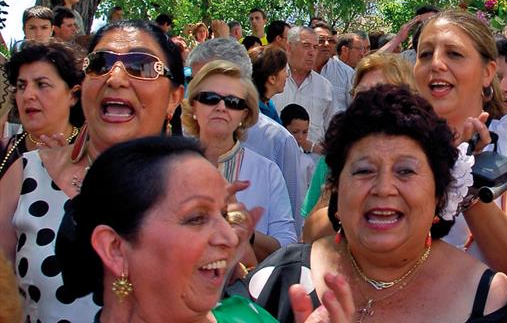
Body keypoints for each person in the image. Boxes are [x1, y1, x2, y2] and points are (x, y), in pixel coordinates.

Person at [246, 86, 507, 322]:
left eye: (406, 171)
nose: (384, 188)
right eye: (364, 171)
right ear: (337, 193)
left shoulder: (492, 302)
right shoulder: (279, 281)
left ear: (439, 196)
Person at [55, 136, 354, 323]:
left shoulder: (249, 317)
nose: (228, 237)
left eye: (225, 214)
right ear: (115, 248)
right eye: (197, 218)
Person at [0, 19, 185, 321]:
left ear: (174, 99)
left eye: (141, 66)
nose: (115, 77)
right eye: (100, 63)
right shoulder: (27, 175)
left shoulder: (199, 195)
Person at [414, 10, 507, 294]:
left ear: (488, 72)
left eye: (454, 54)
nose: (436, 64)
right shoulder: (389, 136)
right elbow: (316, 231)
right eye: (425, 55)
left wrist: (466, 181)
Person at [187, 38, 308, 235]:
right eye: (207, 95)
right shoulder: (169, 160)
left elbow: (288, 239)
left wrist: (243, 231)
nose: (220, 107)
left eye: (232, 101)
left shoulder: (278, 144)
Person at [300, 52, 418, 242]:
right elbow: (307, 238)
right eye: (362, 94)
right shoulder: (333, 160)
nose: (369, 104)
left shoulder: (422, 161)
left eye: (382, 94)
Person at [0, 41, 84, 179]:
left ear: (73, 95)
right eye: (21, 86)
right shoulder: (4, 152)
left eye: (41, 84)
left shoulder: (93, 154)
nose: (27, 95)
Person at [271, 27, 335, 147]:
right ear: (289, 47)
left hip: (313, 161)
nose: (312, 52)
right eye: (306, 46)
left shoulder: (325, 88)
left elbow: (331, 131)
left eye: (315, 47)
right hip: (274, 157)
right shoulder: (272, 81)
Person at [322, 32, 369, 112]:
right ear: (345, 50)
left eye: (364, 49)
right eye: (359, 49)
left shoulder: (353, 72)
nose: (362, 54)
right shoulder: (327, 66)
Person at [250, 45, 289, 124]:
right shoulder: (253, 112)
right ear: (272, 79)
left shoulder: (268, 105)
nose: (287, 75)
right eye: (284, 70)